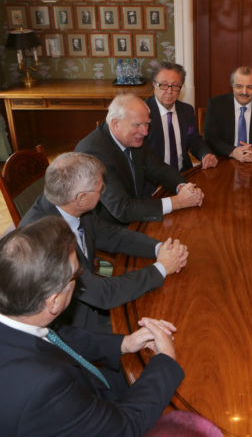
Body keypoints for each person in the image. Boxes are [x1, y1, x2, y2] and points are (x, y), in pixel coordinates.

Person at [0, 216, 185, 436]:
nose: (80, 279)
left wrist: (124, 343)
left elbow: (55, 336)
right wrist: (165, 360)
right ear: (54, 301)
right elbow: (124, 429)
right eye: (77, 275)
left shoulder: (21, 311)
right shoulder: (46, 389)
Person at [20, 152, 188, 333]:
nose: (103, 193)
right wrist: (162, 268)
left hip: (91, 291)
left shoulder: (66, 203)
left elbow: (110, 234)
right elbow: (103, 294)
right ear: (81, 198)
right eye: (100, 189)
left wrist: (159, 248)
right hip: (72, 325)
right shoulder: (44, 242)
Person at [75, 94, 204, 225]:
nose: (145, 132)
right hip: (109, 229)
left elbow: (160, 170)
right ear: (115, 124)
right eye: (137, 125)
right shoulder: (93, 153)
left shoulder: (134, 139)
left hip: (138, 216)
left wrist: (183, 188)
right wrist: (177, 202)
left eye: (147, 124)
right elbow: (122, 208)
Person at [146, 62, 218, 172]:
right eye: (164, 85)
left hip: (184, 174)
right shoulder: (142, 113)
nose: (169, 91)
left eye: (175, 86)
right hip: (154, 180)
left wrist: (205, 154)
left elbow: (194, 141)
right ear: (154, 84)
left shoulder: (187, 110)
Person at [204, 66, 252, 162]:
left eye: (250, 87)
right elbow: (210, 137)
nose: (244, 92)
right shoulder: (216, 104)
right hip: (224, 159)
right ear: (232, 85)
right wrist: (233, 151)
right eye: (239, 86)